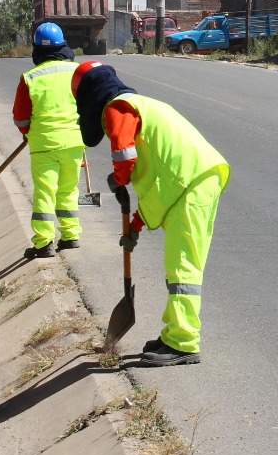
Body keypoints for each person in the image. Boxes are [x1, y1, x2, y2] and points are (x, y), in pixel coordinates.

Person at [72, 60, 230, 367]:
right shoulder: (140, 103)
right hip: (191, 181)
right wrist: (136, 224)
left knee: (183, 266)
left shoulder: (119, 107)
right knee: (178, 264)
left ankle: (184, 342)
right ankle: (173, 333)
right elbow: (160, 180)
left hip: (191, 182)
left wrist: (118, 180)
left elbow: (124, 153)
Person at [12, 22, 84, 259]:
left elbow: (21, 117)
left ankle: (43, 244)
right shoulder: (78, 72)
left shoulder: (30, 77)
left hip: (43, 145)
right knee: (68, 190)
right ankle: (71, 235)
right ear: (63, 46)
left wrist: (28, 133)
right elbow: (88, 108)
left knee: (45, 193)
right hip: (74, 142)